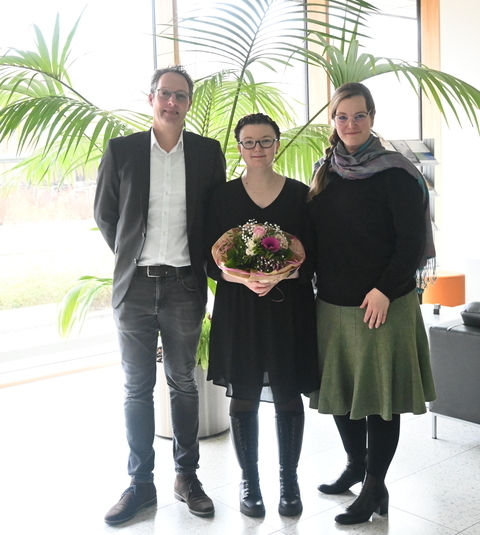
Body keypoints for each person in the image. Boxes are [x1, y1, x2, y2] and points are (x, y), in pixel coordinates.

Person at [94, 65, 226, 524]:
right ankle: (140, 485)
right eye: (165, 94)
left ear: (189, 104)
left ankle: (187, 478)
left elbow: (213, 218)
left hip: (186, 285)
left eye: (182, 96)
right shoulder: (123, 151)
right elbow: (107, 215)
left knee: (184, 382)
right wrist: (133, 255)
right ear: (151, 98)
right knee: (136, 388)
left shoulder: (209, 154)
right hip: (134, 286)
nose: (173, 103)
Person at [307, 82, 437, 525]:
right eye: (342, 116)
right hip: (333, 304)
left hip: (383, 303)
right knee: (340, 394)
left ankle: (375, 485)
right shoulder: (326, 168)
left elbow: (411, 242)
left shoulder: (395, 171)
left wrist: (384, 289)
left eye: (359, 115)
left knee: (381, 400)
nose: (350, 124)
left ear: (373, 117)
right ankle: (355, 465)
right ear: (333, 121)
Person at [206, 113, 319, 518]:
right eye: (249, 142)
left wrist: (283, 273)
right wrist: (239, 278)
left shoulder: (300, 194)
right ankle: (249, 481)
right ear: (239, 147)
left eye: (265, 141)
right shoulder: (221, 197)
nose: (258, 149)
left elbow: (313, 255)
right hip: (239, 309)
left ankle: (289, 481)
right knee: (244, 394)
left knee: (288, 394)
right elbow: (208, 256)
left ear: (277, 144)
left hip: (289, 309)